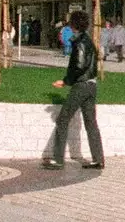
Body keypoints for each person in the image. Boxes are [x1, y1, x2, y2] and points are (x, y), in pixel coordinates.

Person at [43, 10, 102, 170]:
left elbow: (79, 65)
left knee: (63, 119)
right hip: (92, 85)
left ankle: (58, 160)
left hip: (81, 86)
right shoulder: (88, 40)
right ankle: (98, 159)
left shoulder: (80, 42)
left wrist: (65, 81)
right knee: (91, 122)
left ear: (73, 24)